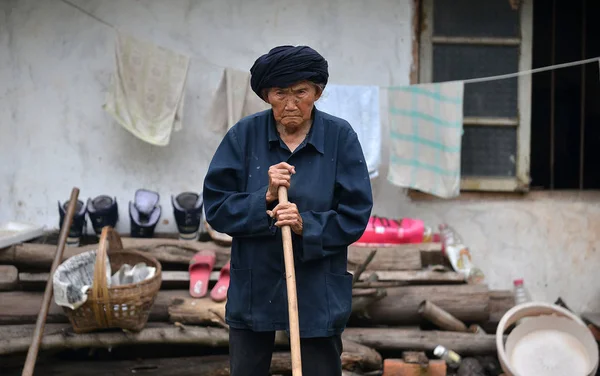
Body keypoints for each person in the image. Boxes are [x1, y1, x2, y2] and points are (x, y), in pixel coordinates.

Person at [203, 45, 373, 376]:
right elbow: (217, 206)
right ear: (267, 95)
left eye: (301, 92)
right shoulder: (244, 135)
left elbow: (355, 214)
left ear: (317, 93)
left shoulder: (340, 137)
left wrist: (304, 225)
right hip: (256, 284)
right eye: (281, 93)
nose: (291, 103)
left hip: (317, 286)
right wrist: (263, 197)